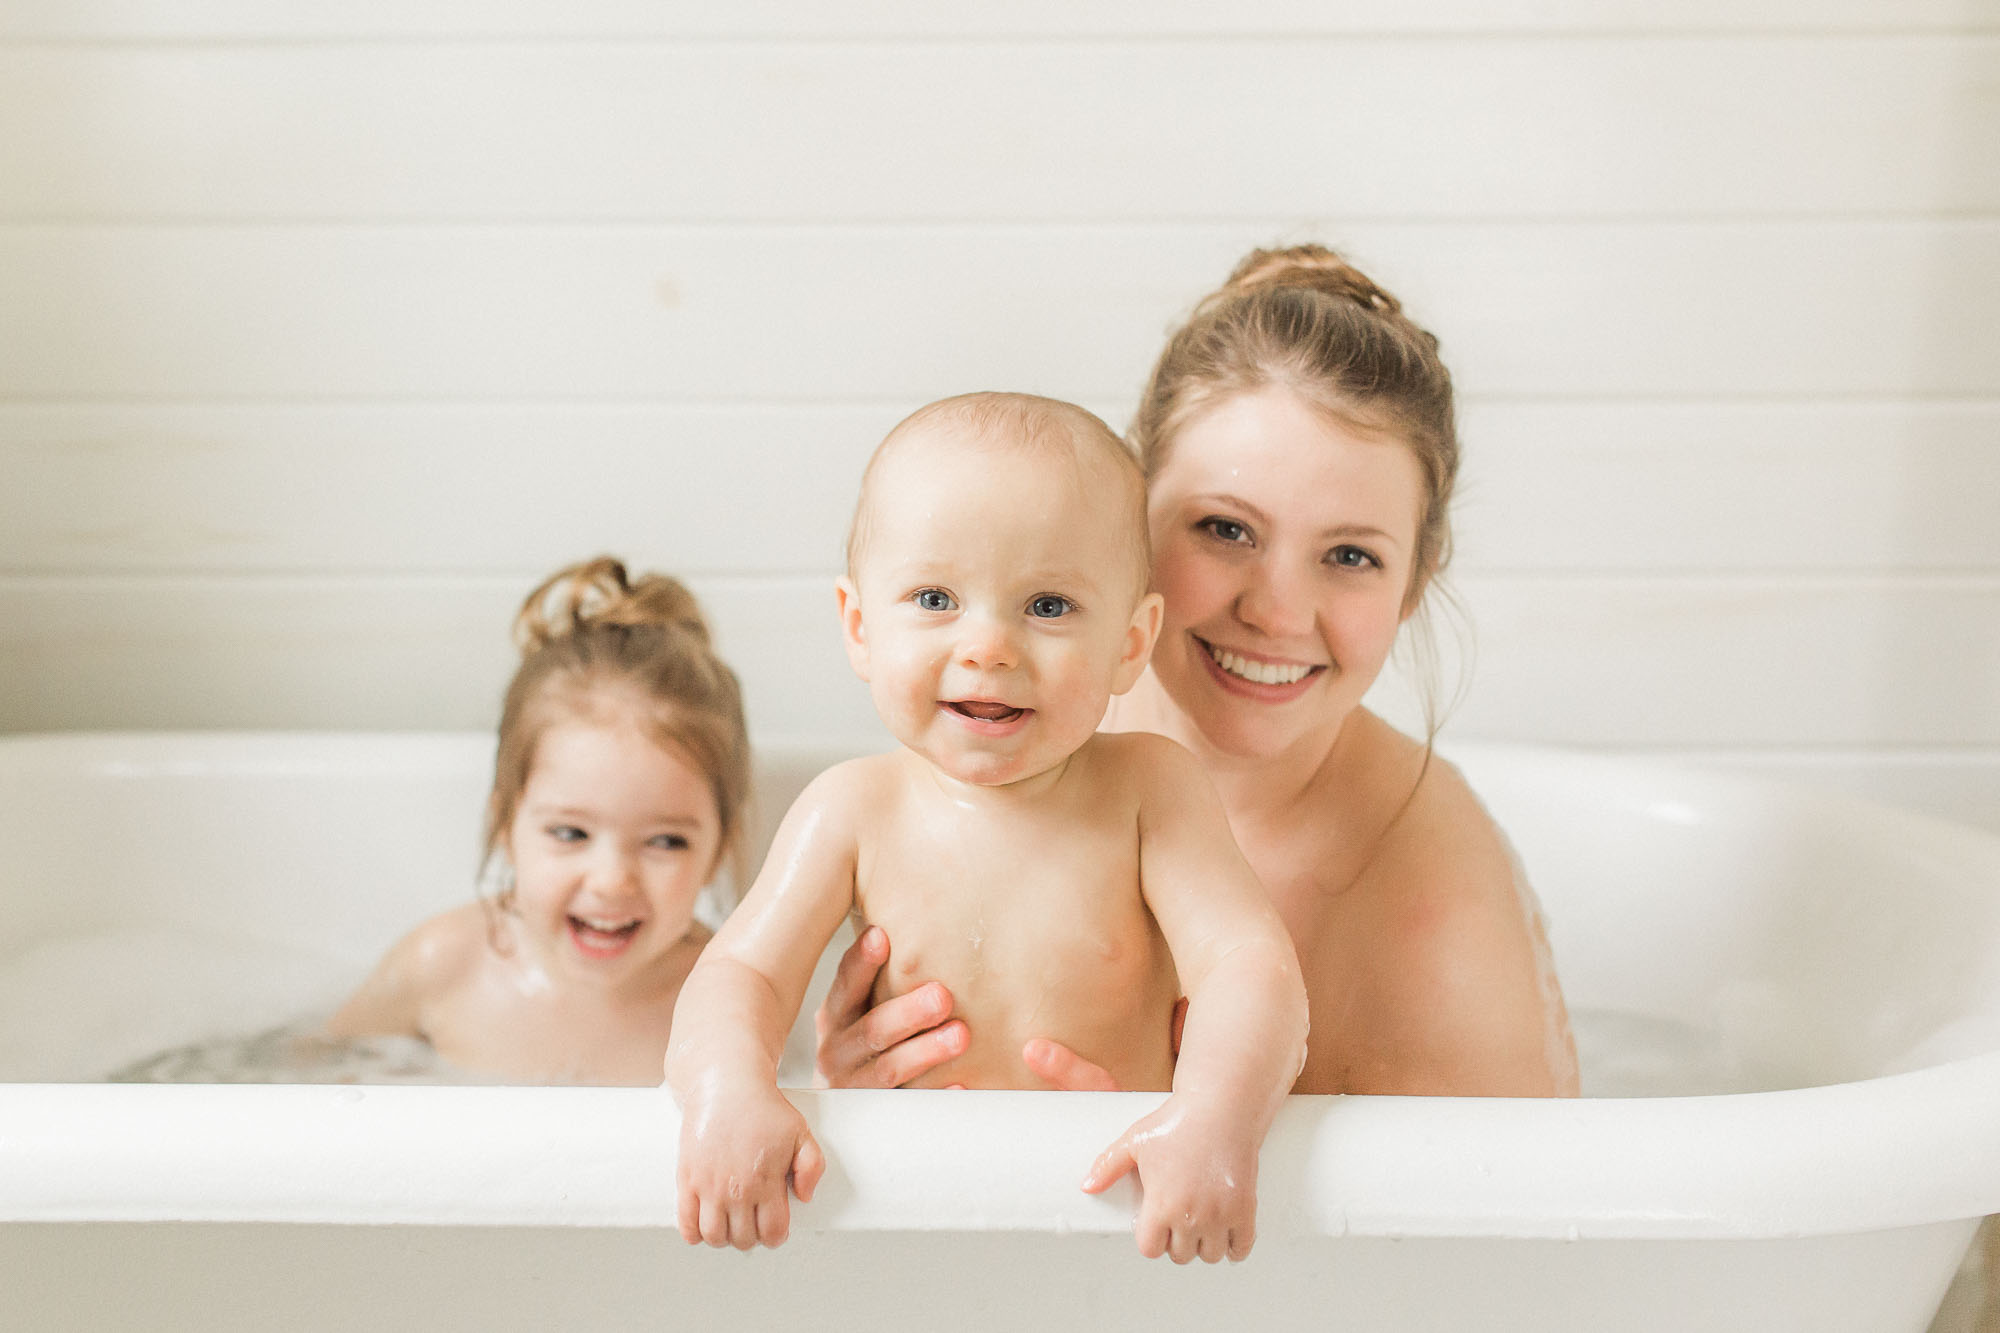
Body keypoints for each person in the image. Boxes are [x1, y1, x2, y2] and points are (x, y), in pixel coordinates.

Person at [816, 246, 1579, 1100]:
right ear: (1128, 521)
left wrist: (1124, 1174)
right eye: (1225, 530)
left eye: (1352, 554)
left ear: (1413, 587)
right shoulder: (1008, 720)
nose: (1277, 611)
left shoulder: (1436, 917)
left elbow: (1485, 1222)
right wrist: (864, 1093)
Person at [665, 392, 1309, 1262]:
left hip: (1114, 1217)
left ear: (1130, 641)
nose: (988, 647)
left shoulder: (1151, 792)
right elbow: (740, 972)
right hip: (908, 1217)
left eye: (1047, 606)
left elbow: (1250, 968)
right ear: (860, 626)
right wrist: (727, 1093)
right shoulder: (852, 809)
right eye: (935, 597)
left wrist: (1213, 1117)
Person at [328, 556, 751, 1086]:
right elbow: (309, 1077)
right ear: (505, 824)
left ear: (718, 849)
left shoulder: (727, 997)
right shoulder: (442, 965)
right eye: (571, 833)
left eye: (666, 841)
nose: (612, 880)